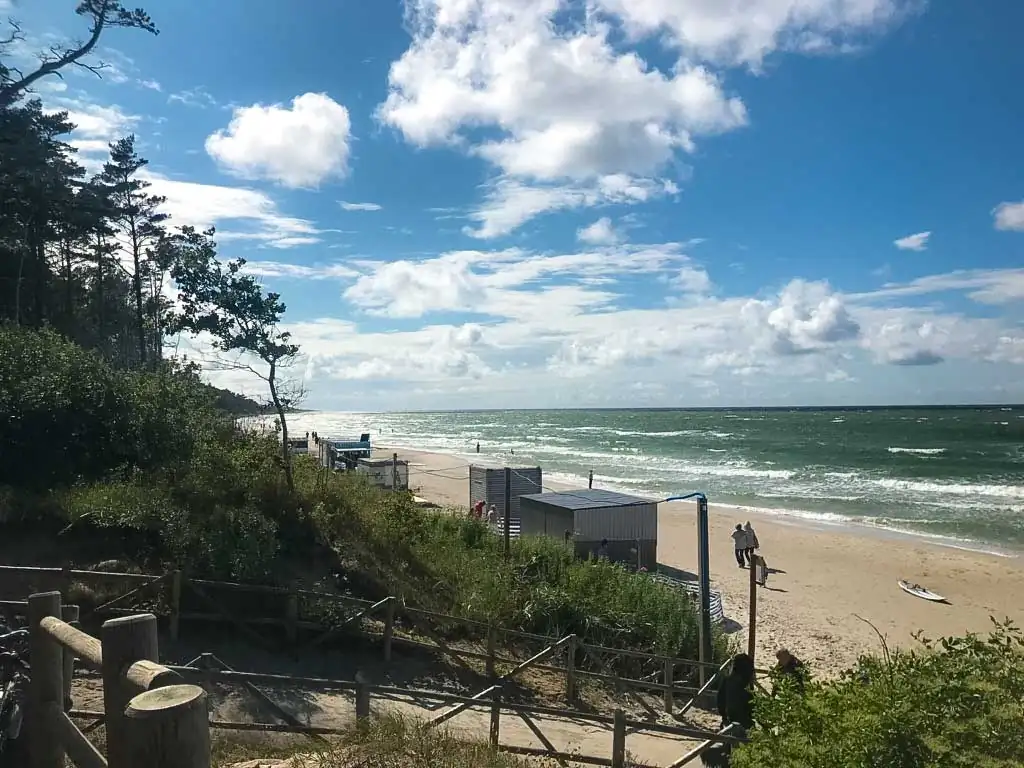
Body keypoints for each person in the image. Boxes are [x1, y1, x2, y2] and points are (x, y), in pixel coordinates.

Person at [716, 653, 755, 729]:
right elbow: (752, 704)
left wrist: (723, 716)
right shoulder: (745, 683)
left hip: (730, 720)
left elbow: (720, 700)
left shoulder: (727, 680)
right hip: (744, 722)